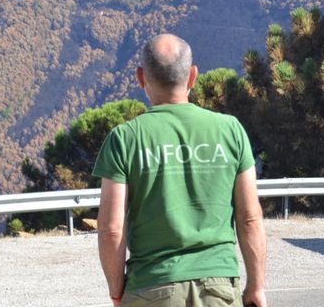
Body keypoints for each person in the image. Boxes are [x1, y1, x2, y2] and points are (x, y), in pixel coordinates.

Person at [93, 34, 267, 307]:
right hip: (218, 287)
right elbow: (249, 219)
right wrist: (256, 287)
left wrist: (117, 292)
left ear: (140, 78)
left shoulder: (124, 139)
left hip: (151, 288)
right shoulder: (230, 130)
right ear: (193, 76)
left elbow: (111, 229)